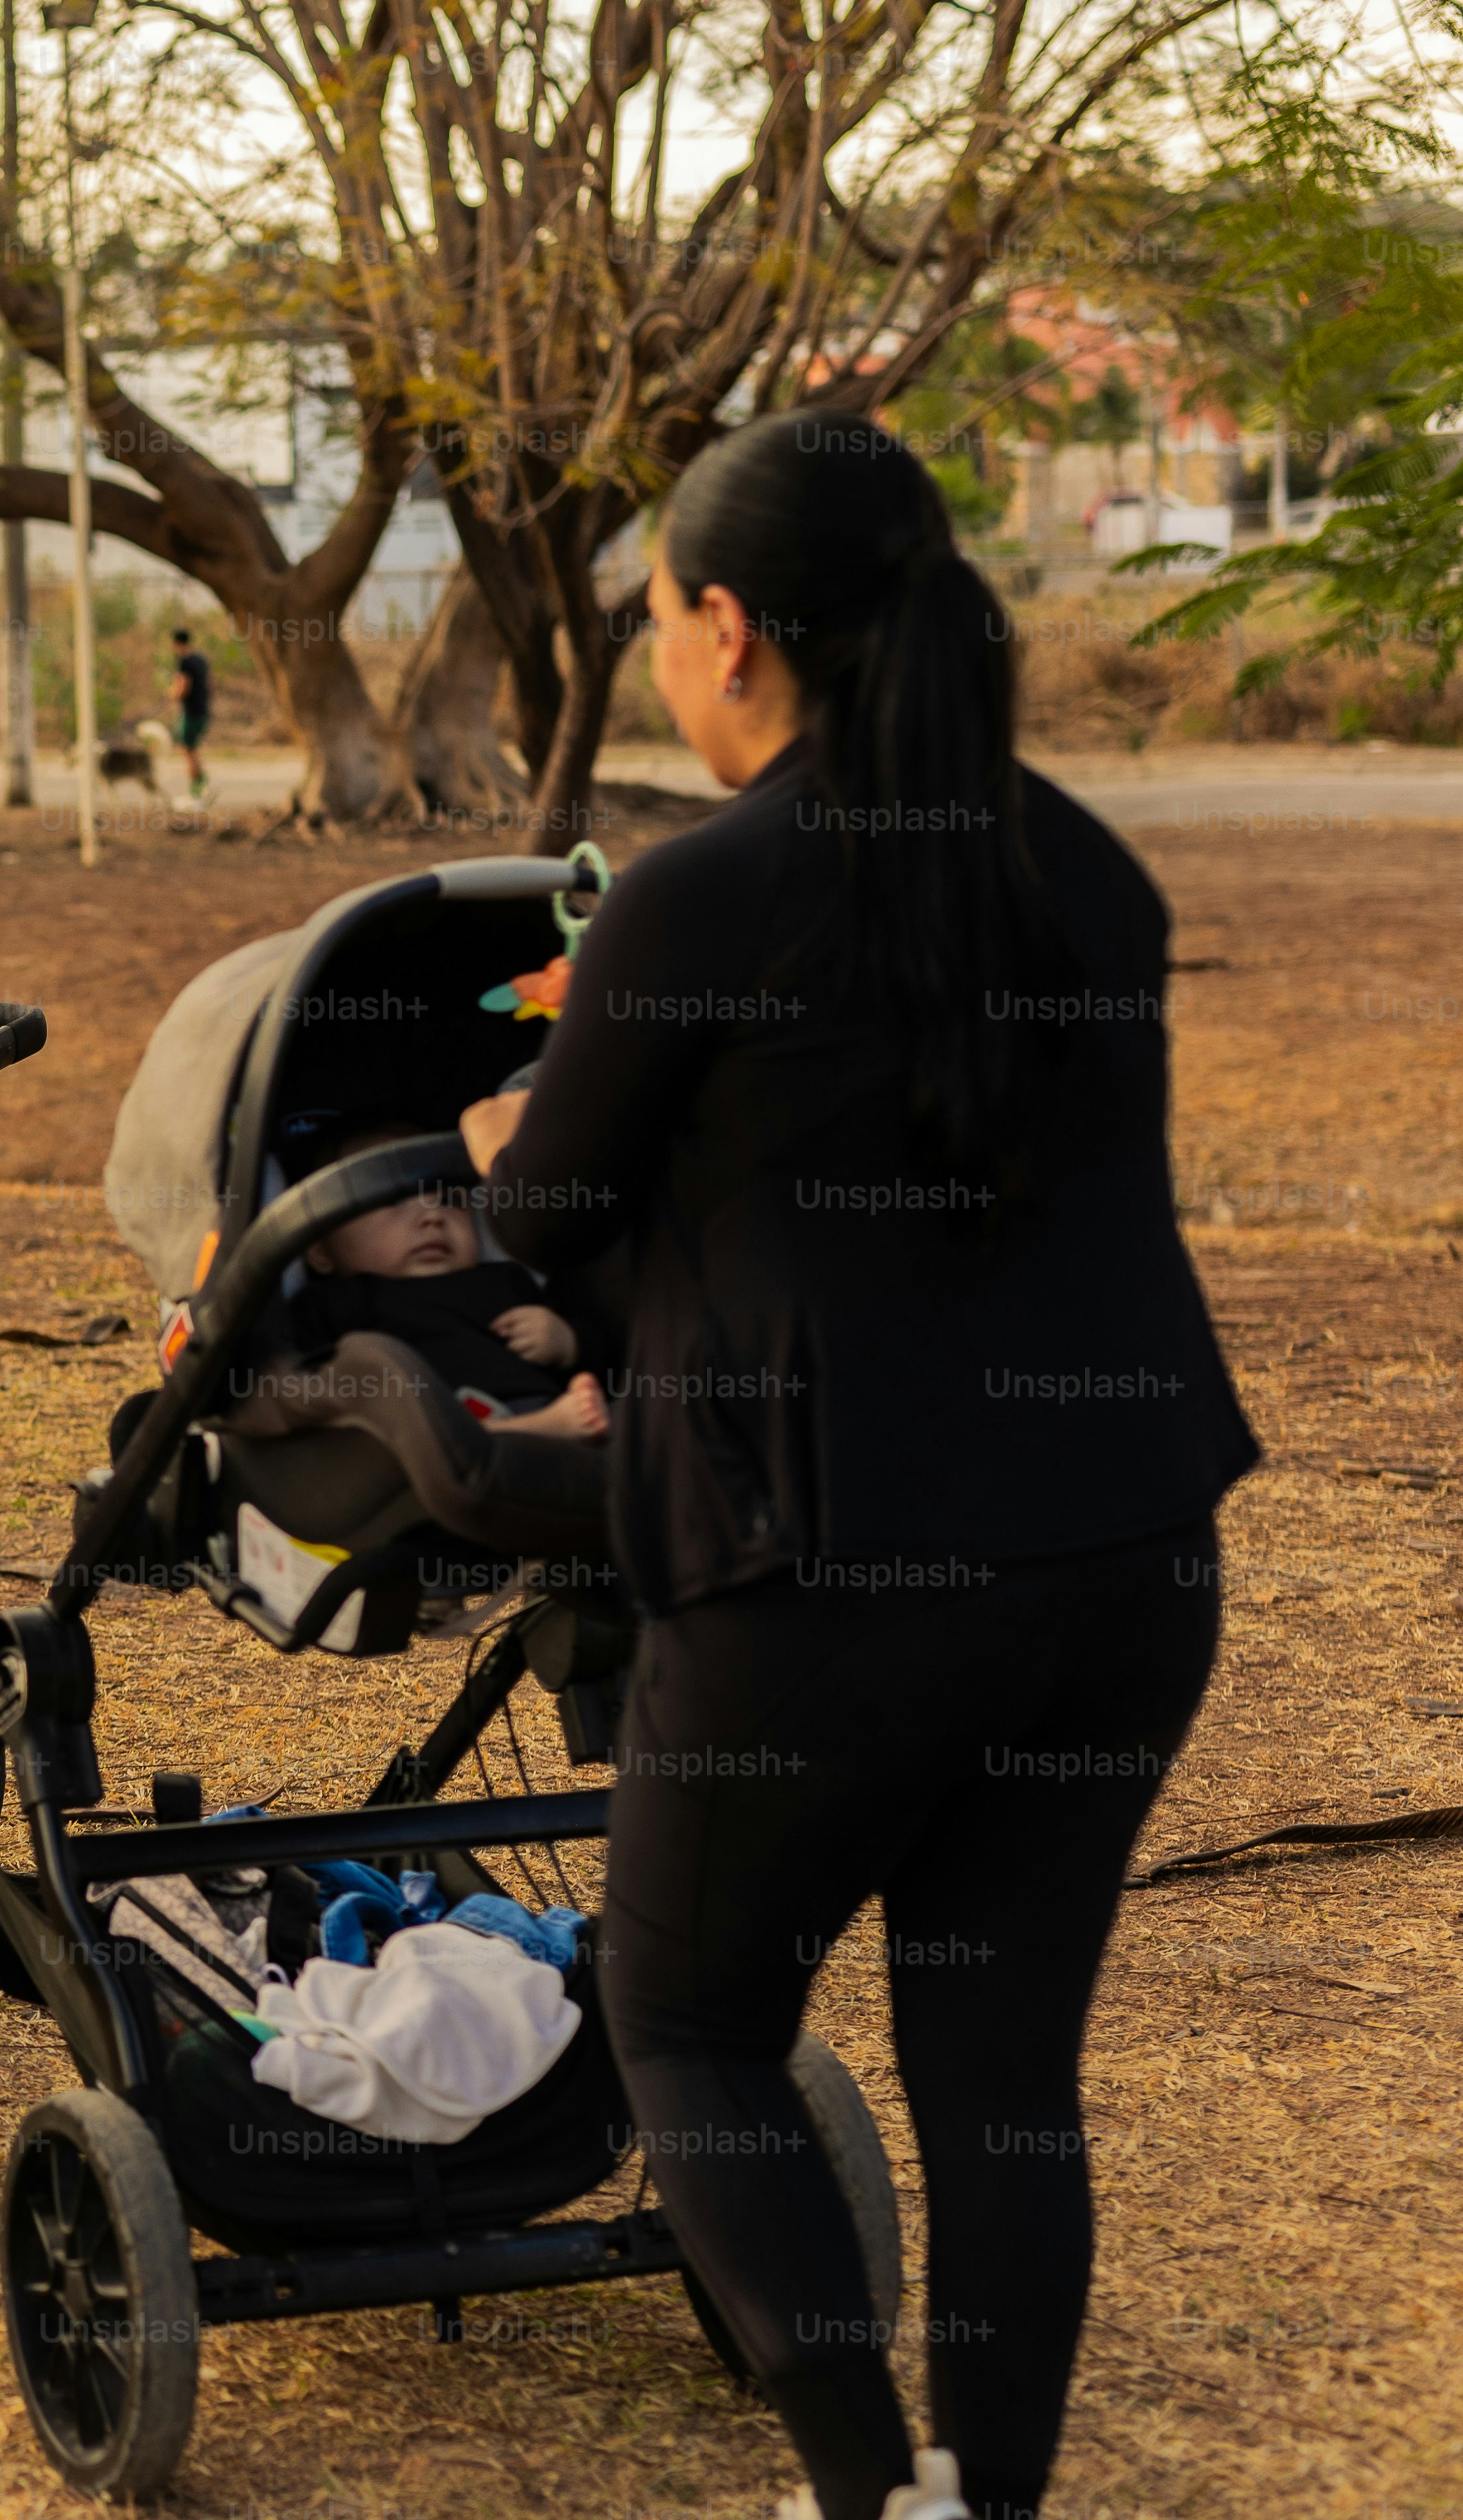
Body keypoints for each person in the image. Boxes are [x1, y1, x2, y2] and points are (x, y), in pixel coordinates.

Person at [461, 414, 1256, 2520]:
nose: (657, 663)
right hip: (1120, 1558)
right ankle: (981, 2503)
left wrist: (503, 1151)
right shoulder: (1084, 865)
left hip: (840, 1566)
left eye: (655, 627)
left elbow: (539, 1224)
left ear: (730, 629)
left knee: (691, 2012)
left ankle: (859, 2488)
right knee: (1003, 2084)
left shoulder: (700, 891)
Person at [287, 1127, 609, 1441]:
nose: (433, 1217)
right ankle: (527, 1432)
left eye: (449, 1200)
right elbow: (309, 1393)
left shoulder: (504, 1281)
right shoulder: (333, 1302)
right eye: (395, 1200)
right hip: (420, 1436)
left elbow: (604, 1356)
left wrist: (567, 1342)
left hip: (543, 1405)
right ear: (321, 1252)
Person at [169, 626, 215, 799]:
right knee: (192, 749)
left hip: (190, 711)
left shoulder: (184, 661)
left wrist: (172, 694)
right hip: (203, 709)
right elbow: (209, 683)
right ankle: (204, 785)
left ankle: (196, 791)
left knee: (188, 750)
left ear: (176, 643)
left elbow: (183, 687)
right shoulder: (201, 660)